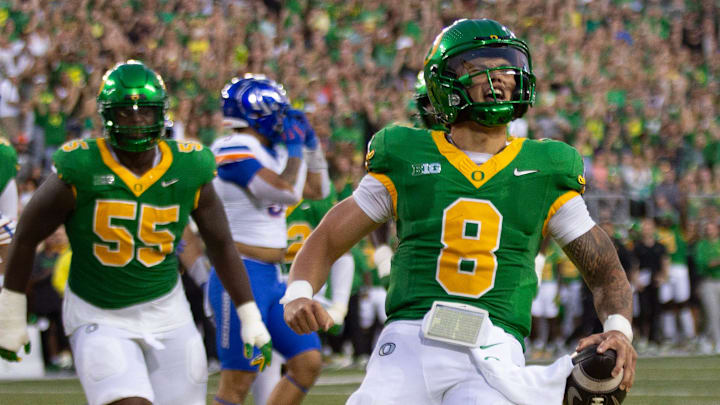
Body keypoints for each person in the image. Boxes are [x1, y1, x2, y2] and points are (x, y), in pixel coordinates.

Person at [282, 19, 636, 405]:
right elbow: (330, 235)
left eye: (505, 66)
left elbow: (605, 270)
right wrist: (298, 292)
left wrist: (618, 329)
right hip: (410, 338)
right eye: (478, 67)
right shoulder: (407, 154)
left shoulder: (546, 167)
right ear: (444, 82)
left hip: (495, 347)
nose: (497, 77)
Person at [0, 61, 272, 405]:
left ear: (161, 114)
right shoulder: (81, 166)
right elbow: (25, 235)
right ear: (106, 116)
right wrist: (10, 312)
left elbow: (221, 245)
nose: (136, 121)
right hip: (98, 313)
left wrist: (249, 315)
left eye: (145, 112)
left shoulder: (189, 167)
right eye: (125, 113)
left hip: (168, 311)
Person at [207, 75, 327, 405]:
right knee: (237, 381)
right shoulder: (231, 148)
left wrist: (310, 147)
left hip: (274, 278)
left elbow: (318, 190)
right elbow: (286, 193)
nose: (282, 119)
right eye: (277, 111)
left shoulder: (268, 151)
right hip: (239, 275)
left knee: (307, 363)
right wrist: (294, 148)